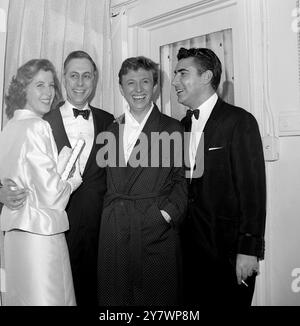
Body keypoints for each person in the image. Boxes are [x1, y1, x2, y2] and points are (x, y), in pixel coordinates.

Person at [0, 51, 114, 306]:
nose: (80, 83)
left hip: (98, 232)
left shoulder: (110, 122)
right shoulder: (42, 120)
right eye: (74, 76)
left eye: (87, 76)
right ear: (64, 78)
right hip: (50, 230)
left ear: (95, 79)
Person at [172, 47, 266, 307]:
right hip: (188, 255)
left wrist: (248, 250)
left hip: (228, 255)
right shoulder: (180, 127)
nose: (174, 81)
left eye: (182, 73)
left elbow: (253, 192)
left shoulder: (240, 122)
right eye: (175, 74)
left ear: (206, 77)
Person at [97, 56, 188, 306]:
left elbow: (183, 181)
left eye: (145, 82)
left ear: (155, 86)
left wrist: (165, 216)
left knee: (158, 302)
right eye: (131, 83)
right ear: (121, 88)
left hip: (155, 230)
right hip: (114, 232)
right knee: (116, 302)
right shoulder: (109, 130)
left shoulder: (174, 129)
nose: (138, 90)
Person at [0, 59, 82, 306]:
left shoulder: (9, 128)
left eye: (51, 85)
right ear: (23, 89)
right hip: (41, 238)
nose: (48, 92)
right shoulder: (38, 126)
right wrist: (71, 177)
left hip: (14, 238)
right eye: (39, 85)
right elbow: (52, 196)